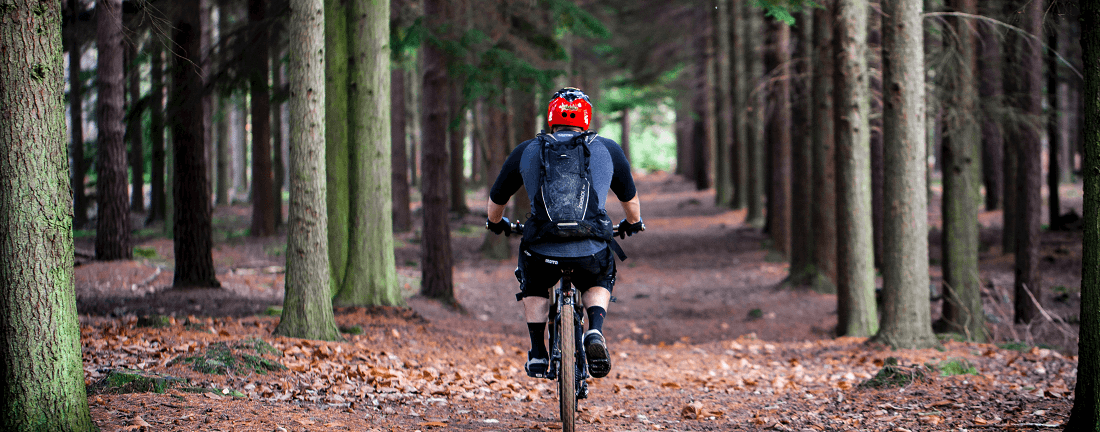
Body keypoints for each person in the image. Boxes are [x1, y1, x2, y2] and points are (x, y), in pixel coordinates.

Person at [485, 87, 644, 380]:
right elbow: (630, 202)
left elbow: (497, 199)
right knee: (599, 276)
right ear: (586, 118)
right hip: (591, 249)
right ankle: (594, 330)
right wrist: (633, 223)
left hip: (541, 250)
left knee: (533, 280)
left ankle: (537, 352)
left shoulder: (528, 149)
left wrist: (496, 223)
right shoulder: (607, 148)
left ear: (550, 118)